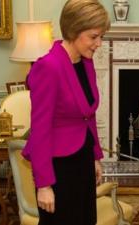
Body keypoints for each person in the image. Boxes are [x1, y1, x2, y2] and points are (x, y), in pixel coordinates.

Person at [21, 1, 110, 224]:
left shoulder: (85, 62)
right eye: (93, 36)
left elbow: (88, 116)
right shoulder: (48, 67)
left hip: (82, 160)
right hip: (58, 167)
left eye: (101, 37)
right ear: (73, 30)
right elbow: (40, 130)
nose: (98, 43)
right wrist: (43, 185)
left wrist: (95, 157)